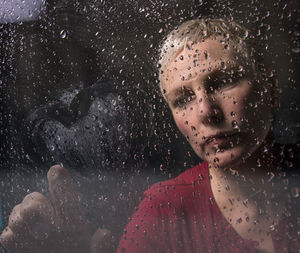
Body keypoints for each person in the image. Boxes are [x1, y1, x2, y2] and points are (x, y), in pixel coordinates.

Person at [1, 18, 299, 253]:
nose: (206, 111)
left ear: (269, 87)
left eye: (222, 82)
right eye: (183, 99)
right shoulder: (164, 211)